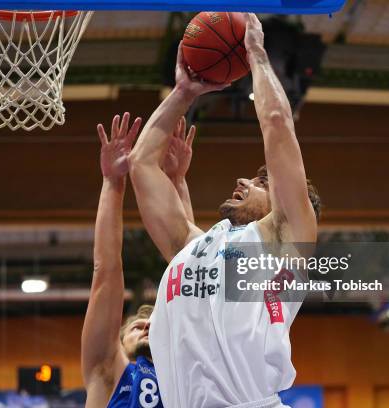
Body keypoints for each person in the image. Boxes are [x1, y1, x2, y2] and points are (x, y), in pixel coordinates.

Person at [128, 13, 322, 408]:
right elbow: (141, 165)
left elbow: (275, 122)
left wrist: (256, 55)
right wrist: (183, 92)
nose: (244, 182)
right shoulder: (190, 245)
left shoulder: (284, 241)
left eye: (261, 183)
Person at [81, 112, 197, 408]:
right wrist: (112, 183)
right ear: (117, 343)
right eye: (137, 326)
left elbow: (194, 269)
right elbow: (106, 270)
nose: (146, 326)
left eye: (152, 325)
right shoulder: (107, 373)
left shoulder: (187, 376)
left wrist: (177, 182)